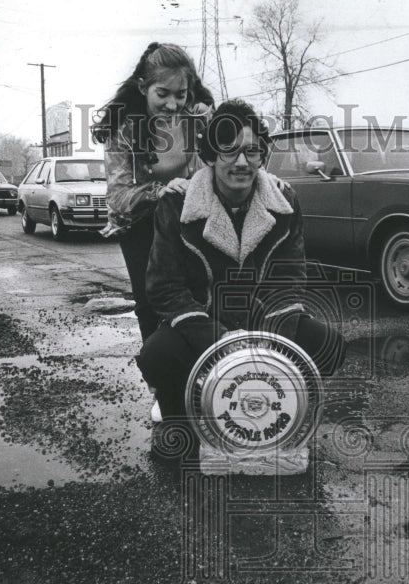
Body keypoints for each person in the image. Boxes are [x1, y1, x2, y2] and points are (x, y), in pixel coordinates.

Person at [137, 99, 346, 456]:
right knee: (156, 354)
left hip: (263, 321)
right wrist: (218, 340)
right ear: (210, 156)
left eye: (251, 151)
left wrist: (268, 344)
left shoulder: (284, 200)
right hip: (201, 323)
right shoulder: (178, 203)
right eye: (229, 151)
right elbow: (163, 286)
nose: (241, 163)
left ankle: (275, 413)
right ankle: (178, 414)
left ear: (262, 155)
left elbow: (291, 277)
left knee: (329, 346)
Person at [92, 43, 215, 420]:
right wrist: (162, 191)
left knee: (200, 296)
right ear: (144, 86)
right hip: (141, 224)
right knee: (152, 304)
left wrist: (214, 124)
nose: (173, 104)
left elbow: (235, 158)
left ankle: (205, 379)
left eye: (182, 94)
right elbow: (118, 198)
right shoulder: (124, 129)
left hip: (191, 217)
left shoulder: (198, 117)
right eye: (163, 94)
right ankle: (163, 389)